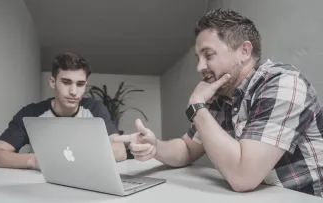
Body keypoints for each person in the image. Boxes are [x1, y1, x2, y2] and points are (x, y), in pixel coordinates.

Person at [113, 9, 323, 197]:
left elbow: (243, 177)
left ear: (244, 51)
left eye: (208, 55)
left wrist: (197, 106)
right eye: (198, 57)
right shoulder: (222, 96)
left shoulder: (284, 84)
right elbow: (187, 149)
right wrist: (155, 147)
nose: (199, 67)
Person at [0, 52, 127, 170]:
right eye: (66, 82)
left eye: (80, 84)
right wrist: (35, 161)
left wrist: (73, 159)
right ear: (53, 82)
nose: (73, 91)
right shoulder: (31, 113)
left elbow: (120, 151)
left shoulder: (95, 109)